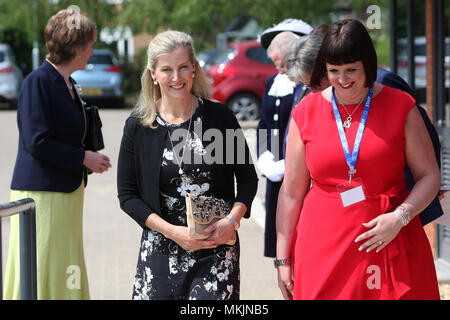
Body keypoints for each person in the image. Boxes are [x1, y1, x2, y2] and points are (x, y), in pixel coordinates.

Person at [276, 19, 440, 300]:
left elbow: (429, 175)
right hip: (323, 243)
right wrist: (282, 259)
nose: (343, 79)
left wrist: (400, 217)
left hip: (391, 235)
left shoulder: (401, 105)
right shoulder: (305, 112)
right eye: (334, 71)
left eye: (352, 69)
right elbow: (291, 193)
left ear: (368, 65)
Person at [117, 30, 258, 300]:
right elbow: (128, 196)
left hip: (216, 250)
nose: (176, 77)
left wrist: (232, 220)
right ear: (153, 74)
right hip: (160, 249)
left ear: (194, 67)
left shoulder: (220, 118)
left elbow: (248, 180)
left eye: (183, 67)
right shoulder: (139, 125)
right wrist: (173, 232)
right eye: (167, 69)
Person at [285, 27, 444, 226]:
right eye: (309, 86)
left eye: (317, 83)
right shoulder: (314, 101)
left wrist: (419, 197)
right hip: (349, 207)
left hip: (399, 205)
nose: (314, 91)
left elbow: (424, 137)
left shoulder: (383, 84)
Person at [3, 9, 111, 300]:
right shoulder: (37, 82)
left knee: (65, 263)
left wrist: (87, 155)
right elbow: (36, 141)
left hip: (65, 192)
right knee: (43, 265)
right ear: (75, 48)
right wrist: (83, 158)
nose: (91, 51)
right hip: (42, 194)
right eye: (89, 44)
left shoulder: (70, 84)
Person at [257, 19, 312, 258]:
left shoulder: (307, 86)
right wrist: (263, 158)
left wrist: (290, 164)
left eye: (282, 64)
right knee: (280, 242)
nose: (279, 70)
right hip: (275, 173)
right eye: (276, 64)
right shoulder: (272, 82)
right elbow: (263, 125)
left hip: (299, 172)